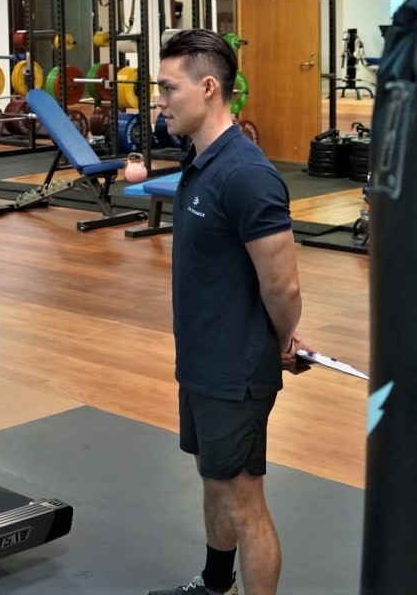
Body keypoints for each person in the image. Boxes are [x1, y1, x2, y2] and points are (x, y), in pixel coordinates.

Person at [146, 29, 305, 595]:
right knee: (215, 482)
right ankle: (216, 587)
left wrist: (283, 343)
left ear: (208, 87)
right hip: (201, 361)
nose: (159, 100)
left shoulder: (246, 174)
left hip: (233, 372)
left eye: (167, 87)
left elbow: (283, 287)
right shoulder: (201, 162)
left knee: (244, 502)